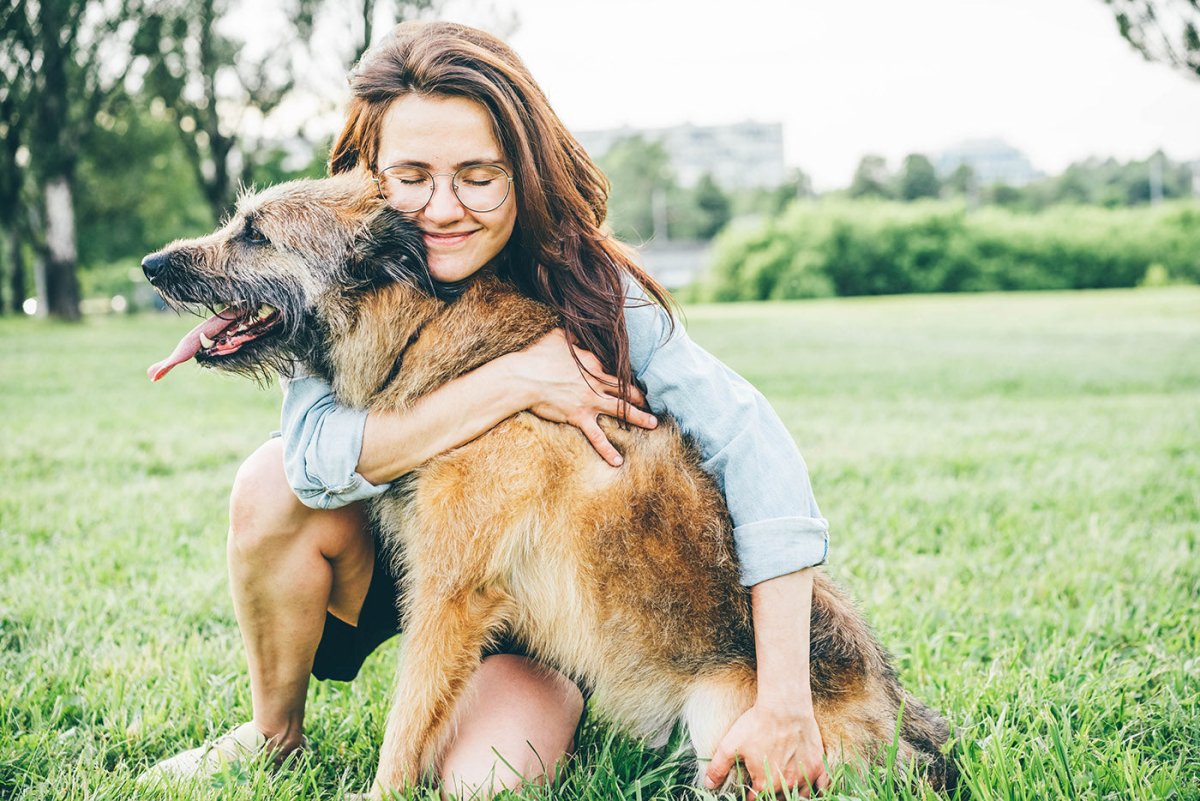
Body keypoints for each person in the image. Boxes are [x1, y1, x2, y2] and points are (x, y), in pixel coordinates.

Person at [139, 19, 832, 799]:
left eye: (477, 175)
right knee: (271, 481)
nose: (442, 207)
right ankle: (272, 733)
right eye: (412, 175)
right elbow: (311, 458)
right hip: (406, 559)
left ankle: (552, 699)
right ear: (372, 180)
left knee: (484, 783)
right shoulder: (345, 268)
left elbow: (755, 444)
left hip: (543, 608)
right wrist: (514, 383)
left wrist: (784, 699)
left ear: (521, 173)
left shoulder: (590, 284)